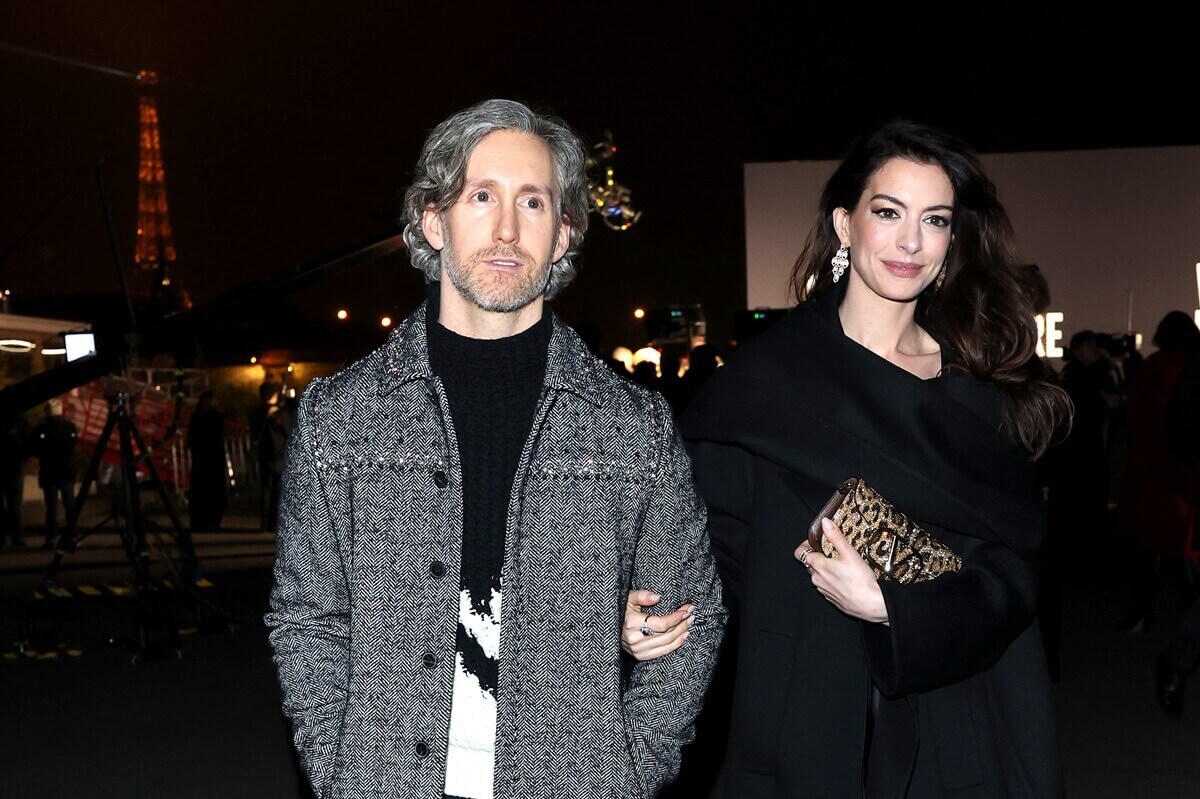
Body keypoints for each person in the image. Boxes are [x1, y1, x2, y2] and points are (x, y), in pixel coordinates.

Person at [265, 99, 724, 799]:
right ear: (432, 219)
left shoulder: (633, 427)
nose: (507, 228)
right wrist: (338, 770)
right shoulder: (341, 418)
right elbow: (307, 617)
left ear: (565, 231)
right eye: (482, 196)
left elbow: (693, 613)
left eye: (533, 202)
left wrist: (629, 771)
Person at [628, 121, 1070, 796]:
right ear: (844, 223)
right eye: (888, 212)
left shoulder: (977, 394)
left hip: (952, 722)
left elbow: (1012, 579)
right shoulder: (765, 383)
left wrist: (894, 607)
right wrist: (649, 609)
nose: (911, 241)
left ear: (952, 241)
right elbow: (712, 553)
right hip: (800, 719)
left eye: (935, 220)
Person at [1115, 312, 1200, 632]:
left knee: (1151, 549)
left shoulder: (1152, 367)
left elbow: (1138, 418)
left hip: (1153, 469)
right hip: (1186, 469)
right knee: (1183, 549)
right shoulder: (1193, 366)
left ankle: (1141, 614)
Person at [30, 399, 80, 550]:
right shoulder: (69, 427)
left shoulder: (41, 429)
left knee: (51, 507)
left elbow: (34, 448)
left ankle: (51, 537)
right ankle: (72, 535)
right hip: (67, 471)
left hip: (49, 472)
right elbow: (73, 445)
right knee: (69, 504)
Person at [185, 391, 228, 531]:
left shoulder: (197, 417)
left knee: (200, 491)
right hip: (214, 458)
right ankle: (213, 520)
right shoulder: (216, 417)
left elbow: (191, 439)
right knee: (214, 490)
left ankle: (199, 520)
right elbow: (218, 438)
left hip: (201, 459)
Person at [1, 413, 29, 548]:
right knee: (15, 505)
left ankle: (4, 538)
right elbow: (28, 445)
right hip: (15, 467)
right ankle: (17, 538)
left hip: (8, 466)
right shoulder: (20, 421)